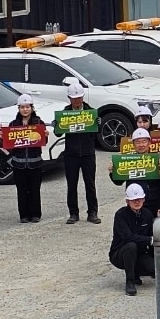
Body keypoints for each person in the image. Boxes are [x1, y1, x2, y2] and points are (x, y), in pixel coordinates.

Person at [109, 183, 160, 296]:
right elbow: (127, 237)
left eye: (139, 199)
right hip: (120, 254)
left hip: (140, 253)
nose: (137, 202)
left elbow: (151, 236)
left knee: (153, 269)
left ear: (143, 199)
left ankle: (136, 272)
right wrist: (149, 240)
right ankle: (130, 281)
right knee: (131, 245)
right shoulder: (120, 215)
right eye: (133, 200)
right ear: (127, 201)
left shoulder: (147, 214)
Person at [60, 84, 100, 225]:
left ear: (83, 97)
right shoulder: (64, 113)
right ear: (69, 98)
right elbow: (58, 132)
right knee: (72, 185)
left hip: (88, 153)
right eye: (74, 98)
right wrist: (57, 124)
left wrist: (97, 123)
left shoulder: (91, 112)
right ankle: (73, 213)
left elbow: (97, 133)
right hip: (71, 154)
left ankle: (92, 212)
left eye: (79, 98)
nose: (77, 101)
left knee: (90, 184)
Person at [6, 94, 47, 223]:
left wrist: (45, 135)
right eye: (22, 107)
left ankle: (35, 214)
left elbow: (43, 142)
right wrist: (4, 138)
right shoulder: (13, 124)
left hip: (35, 162)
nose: (25, 110)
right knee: (21, 190)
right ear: (18, 108)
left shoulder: (39, 123)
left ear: (32, 108)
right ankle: (23, 214)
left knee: (35, 189)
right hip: (18, 164)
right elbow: (9, 146)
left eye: (27, 107)